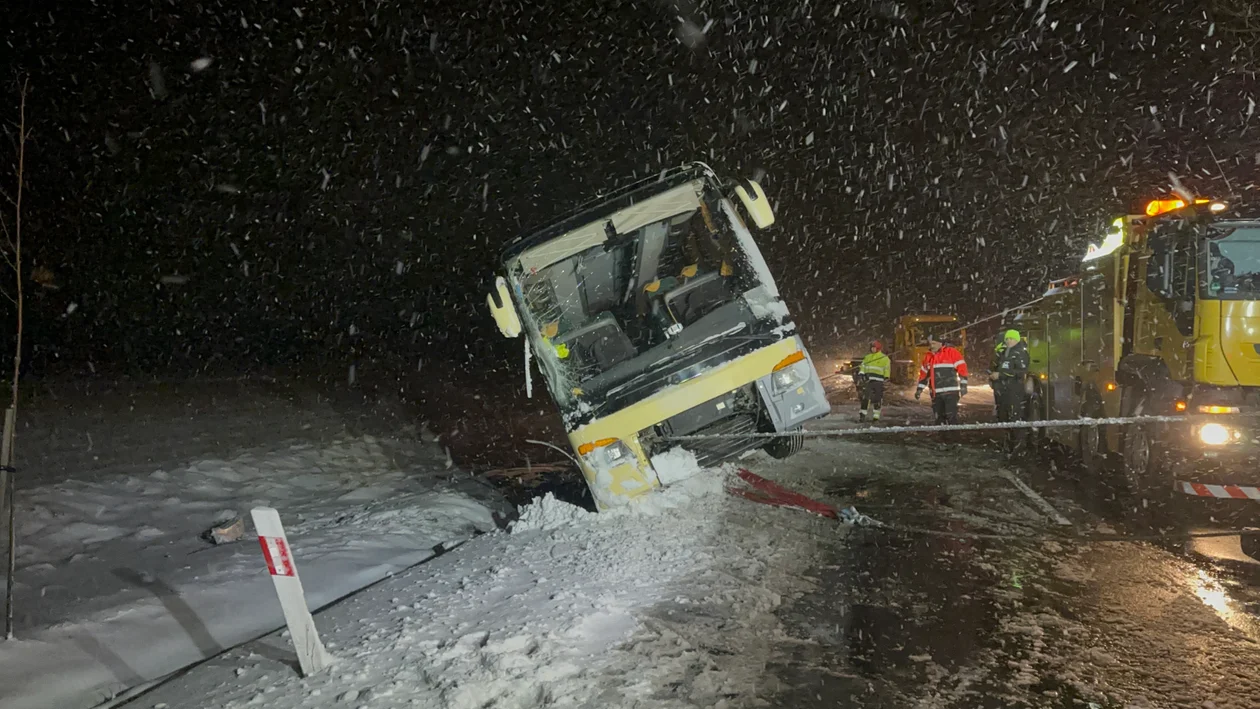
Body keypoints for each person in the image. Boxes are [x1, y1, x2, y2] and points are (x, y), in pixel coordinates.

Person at [915, 335, 968, 424]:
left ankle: (953, 436)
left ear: (940, 343)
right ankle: (943, 436)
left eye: (934, 343)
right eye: (930, 343)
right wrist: (919, 389)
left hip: (950, 393)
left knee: (951, 418)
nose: (931, 346)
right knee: (939, 420)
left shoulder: (952, 353)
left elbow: (962, 370)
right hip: (936, 394)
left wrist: (964, 386)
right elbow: (924, 375)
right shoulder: (928, 357)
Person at [857, 340, 891, 422]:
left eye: (874, 348)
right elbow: (863, 366)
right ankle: (862, 415)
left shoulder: (884, 358)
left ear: (878, 348)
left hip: (879, 381)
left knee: (877, 399)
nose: (872, 349)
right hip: (869, 381)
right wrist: (861, 374)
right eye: (871, 348)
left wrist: (886, 377)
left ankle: (876, 416)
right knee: (865, 398)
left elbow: (887, 368)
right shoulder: (867, 357)